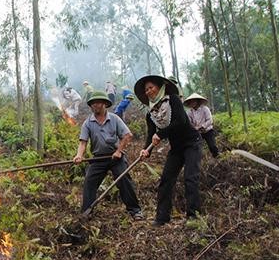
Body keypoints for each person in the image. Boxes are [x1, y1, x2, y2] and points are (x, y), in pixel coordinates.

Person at [135, 75, 202, 226]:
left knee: (190, 178)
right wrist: (145, 150)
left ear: (159, 87)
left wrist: (161, 134)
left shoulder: (173, 100)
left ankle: (194, 217)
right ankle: (162, 218)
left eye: (151, 87)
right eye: (146, 90)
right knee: (166, 180)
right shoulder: (150, 113)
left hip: (192, 143)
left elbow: (181, 121)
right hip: (176, 148)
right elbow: (151, 134)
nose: (148, 91)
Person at [73, 91, 143, 219]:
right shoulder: (88, 123)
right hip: (98, 158)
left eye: (98, 103)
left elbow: (127, 135)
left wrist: (118, 151)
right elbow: (83, 142)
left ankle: (135, 210)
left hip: (115, 157)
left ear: (105, 104)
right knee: (89, 182)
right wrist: (79, 155)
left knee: (124, 180)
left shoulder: (115, 119)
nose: (95, 105)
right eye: (93, 103)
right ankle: (86, 213)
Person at [184, 93, 219, 158]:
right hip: (197, 132)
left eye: (193, 101)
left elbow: (210, 120)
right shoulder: (189, 112)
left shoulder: (205, 109)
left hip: (208, 131)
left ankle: (217, 158)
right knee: (196, 147)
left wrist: (202, 126)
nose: (191, 103)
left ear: (197, 101)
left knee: (212, 146)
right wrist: (194, 128)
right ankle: (198, 160)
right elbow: (189, 123)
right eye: (190, 102)